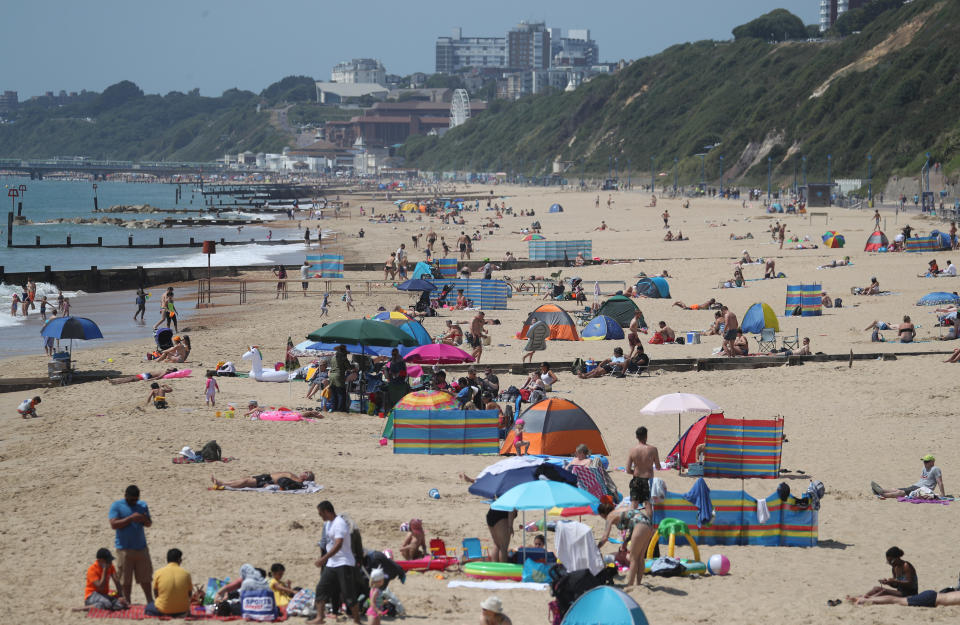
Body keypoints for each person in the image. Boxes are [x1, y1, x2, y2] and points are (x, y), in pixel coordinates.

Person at [307, 501, 360, 625]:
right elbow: (326, 542)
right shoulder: (328, 524)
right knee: (321, 589)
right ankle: (320, 618)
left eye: (321, 514)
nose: (320, 516)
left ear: (327, 511)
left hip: (344, 562)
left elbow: (338, 544)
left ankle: (357, 620)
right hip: (332, 564)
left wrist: (324, 558)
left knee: (348, 593)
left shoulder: (339, 523)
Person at [109, 485, 153, 604]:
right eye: (131, 499)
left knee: (146, 577)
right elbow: (113, 524)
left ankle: (149, 600)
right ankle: (127, 601)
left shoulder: (142, 505)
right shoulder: (117, 506)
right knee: (125, 579)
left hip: (141, 548)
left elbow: (149, 524)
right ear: (126, 496)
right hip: (124, 549)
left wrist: (143, 519)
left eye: (136, 499)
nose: (134, 502)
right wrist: (130, 518)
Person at [845, 547, 918, 604]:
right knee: (876, 588)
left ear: (897, 558)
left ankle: (864, 600)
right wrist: (889, 583)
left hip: (910, 594)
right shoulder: (894, 567)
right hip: (901, 592)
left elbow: (910, 583)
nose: (890, 563)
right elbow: (896, 585)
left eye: (891, 561)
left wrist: (895, 581)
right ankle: (863, 597)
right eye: (888, 561)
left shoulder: (906, 566)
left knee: (884, 591)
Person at [146, 548, 192, 617]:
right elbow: (189, 594)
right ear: (179, 560)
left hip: (163, 609)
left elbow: (156, 593)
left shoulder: (158, 573)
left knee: (149, 606)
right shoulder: (186, 574)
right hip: (183, 609)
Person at [873, 455, 945, 499]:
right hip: (916, 486)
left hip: (923, 489)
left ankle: (882, 494)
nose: (924, 463)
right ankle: (881, 490)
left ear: (932, 461)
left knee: (901, 492)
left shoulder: (935, 469)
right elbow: (922, 479)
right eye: (924, 461)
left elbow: (940, 482)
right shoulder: (924, 468)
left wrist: (942, 494)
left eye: (926, 461)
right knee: (897, 489)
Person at [627, 426, 661, 512]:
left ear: (636, 437)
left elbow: (628, 470)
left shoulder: (632, 450)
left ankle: (630, 522)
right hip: (648, 480)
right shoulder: (653, 449)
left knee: (634, 504)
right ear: (646, 436)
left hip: (636, 479)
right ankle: (649, 523)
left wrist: (635, 472)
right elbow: (658, 467)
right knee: (648, 504)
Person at [210, 470, 315, 490]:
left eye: (306, 472)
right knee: (245, 480)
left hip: (266, 481)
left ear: (306, 477)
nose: (303, 471)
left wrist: (270, 486)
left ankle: (223, 484)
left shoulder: (297, 482)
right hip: (266, 477)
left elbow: (285, 485)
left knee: (245, 482)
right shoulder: (295, 477)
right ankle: (225, 483)